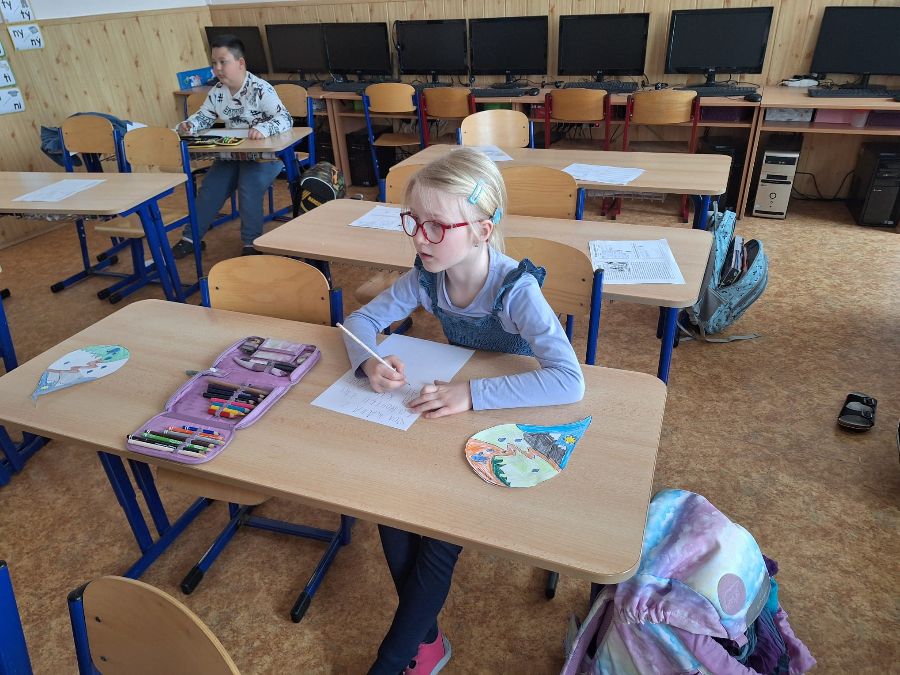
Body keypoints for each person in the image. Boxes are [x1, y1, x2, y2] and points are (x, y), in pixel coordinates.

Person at [341, 147, 585, 675]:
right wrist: (368, 361)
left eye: (436, 226)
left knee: (438, 538)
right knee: (391, 509)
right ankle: (425, 641)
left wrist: (471, 394)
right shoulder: (427, 276)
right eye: (413, 222)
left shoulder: (516, 290)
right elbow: (359, 322)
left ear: (482, 230)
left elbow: (569, 379)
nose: (419, 238)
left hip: (508, 417)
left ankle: (393, 661)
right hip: (449, 414)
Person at [172, 34, 292, 258]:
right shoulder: (218, 91)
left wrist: (264, 128)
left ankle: (250, 242)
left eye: (223, 62)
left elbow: (285, 118)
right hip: (231, 156)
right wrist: (190, 125)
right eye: (214, 63)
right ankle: (191, 238)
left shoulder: (261, 89)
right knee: (210, 189)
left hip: (263, 158)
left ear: (240, 63)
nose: (217, 68)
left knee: (249, 187)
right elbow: (204, 117)